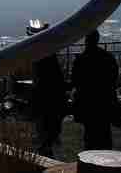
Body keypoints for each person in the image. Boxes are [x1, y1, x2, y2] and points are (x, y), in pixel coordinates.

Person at [71, 29, 119, 150]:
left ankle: (90, 159)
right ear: (97, 40)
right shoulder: (108, 57)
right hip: (105, 100)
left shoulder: (81, 59)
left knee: (90, 133)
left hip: (87, 101)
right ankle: (107, 159)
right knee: (105, 131)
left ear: (86, 41)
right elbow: (114, 78)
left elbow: (75, 81)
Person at [26, 20, 68, 157]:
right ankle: (48, 143)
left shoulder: (38, 54)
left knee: (44, 122)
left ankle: (46, 145)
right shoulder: (49, 52)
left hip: (44, 93)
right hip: (51, 92)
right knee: (50, 122)